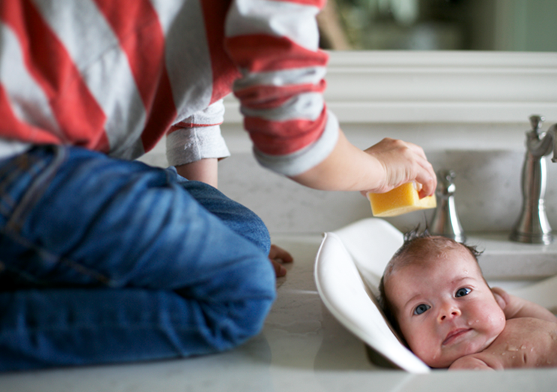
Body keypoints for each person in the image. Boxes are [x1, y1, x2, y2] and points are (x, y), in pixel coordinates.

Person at [0, 0, 436, 371]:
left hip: (60, 161)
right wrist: (380, 170)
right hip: (17, 155)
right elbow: (295, 141)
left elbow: (196, 98)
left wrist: (210, 236)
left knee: (246, 236)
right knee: (242, 294)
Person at [378, 231, 557, 370]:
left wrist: (511, 305)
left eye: (462, 292)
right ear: (403, 337)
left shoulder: (511, 322)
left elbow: (552, 323)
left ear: (491, 294)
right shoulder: (469, 366)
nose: (448, 311)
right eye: (421, 308)